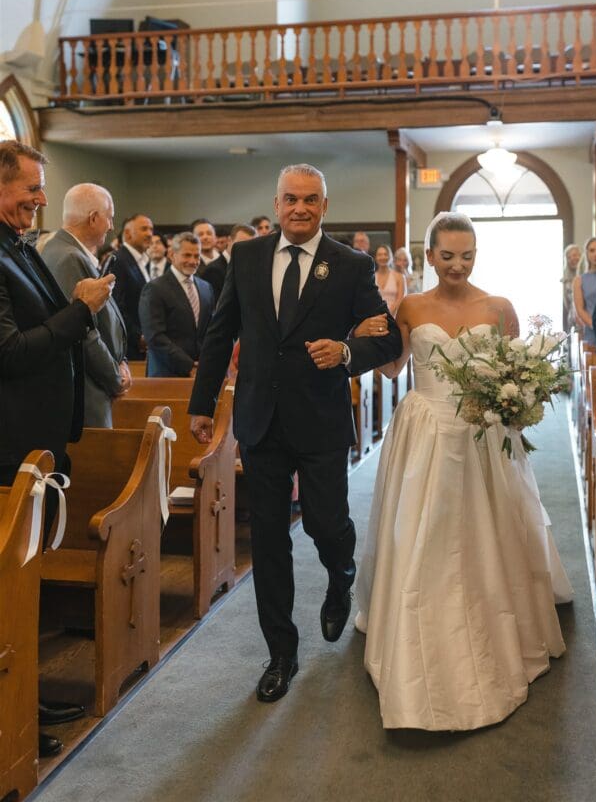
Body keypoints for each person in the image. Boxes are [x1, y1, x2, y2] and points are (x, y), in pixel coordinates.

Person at [188, 164, 402, 703]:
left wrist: (347, 353)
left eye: (311, 200)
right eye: (290, 199)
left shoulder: (351, 265)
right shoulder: (248, 256)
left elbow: (387, 338)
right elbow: (221, 332)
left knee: (327, 525)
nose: (300, 208)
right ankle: (280, 652)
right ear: (277, 203)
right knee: (268, 539)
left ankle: (341, 571)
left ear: (324, 207)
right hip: (259, 419)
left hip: (321, 419)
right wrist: (203, 404)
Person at [354, 212, 570, 732]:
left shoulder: (498, 307)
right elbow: (392, 369)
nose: (457, 265)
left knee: (481, 528)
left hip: (482, 432)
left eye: (467, 255)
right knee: (424, 531)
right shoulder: (411, 305)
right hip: (425, 428)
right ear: (429, 256)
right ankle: (417, 623)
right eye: (447, 256)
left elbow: (517, 372)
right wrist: (361, 333)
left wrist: (518, 399)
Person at [0, 141, 114, 756]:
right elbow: (10, 353)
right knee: (6, 587)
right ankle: (10, 712)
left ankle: (26, 693)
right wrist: (80, 310)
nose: (41, 200)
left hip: (37, 449)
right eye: (30, 189)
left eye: (42, 189)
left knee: (24, 586)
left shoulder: (17, 247)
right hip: (9, 449)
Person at [41, 183, 130, 427]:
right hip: (87, 392)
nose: (111, 227)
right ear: (93, 218)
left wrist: (120, 361)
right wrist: (114, 376)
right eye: (109, 218)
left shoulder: (62, 249)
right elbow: (82, 330)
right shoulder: (69, 257)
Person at [139, 232, 214, 377]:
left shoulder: (206, 288)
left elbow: (209, 331)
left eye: (197, 256)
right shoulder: (154, 289)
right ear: (172, 254)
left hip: (201, 373)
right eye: (187, 255)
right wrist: (189, 365)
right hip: (166, 374)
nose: (193, 261)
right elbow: (154, 337)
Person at [103, 213, 154, 360]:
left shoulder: (143, 261)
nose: (149, 234)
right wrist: (138, 337)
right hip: (128, 347)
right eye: (144, 229)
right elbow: (115, 306)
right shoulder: (118, 260)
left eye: (151, 229)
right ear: (127, 233)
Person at [572, 236, 596, 347]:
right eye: (592, 250)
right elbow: (580, 310)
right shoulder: (579, 280)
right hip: (592, 331)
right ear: (587, 253)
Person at [203, 222, 256, 298]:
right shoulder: (213, 270)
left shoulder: (251, 268)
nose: (246, 249)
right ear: (229, 240)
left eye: (251, 246)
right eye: (242, 244)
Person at [373, 244, 406, 316]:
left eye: (385, 254)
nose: (383, 257)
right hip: (376, 317)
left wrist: (388, 314)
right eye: (380, 254)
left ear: (390, 257)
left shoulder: (399, 277)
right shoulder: (372, 277)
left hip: (394, 316)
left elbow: (400, 300)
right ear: (375, 257)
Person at [561, 243, 580, 331]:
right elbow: (567, 303)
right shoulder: (566, 280)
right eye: (569, 257)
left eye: (575, 255)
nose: (572, 258)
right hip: (572, 319)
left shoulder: (587, 276)